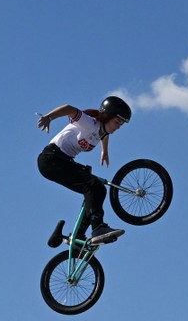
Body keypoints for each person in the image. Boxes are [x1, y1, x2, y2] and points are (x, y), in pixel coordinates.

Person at [37, 96, 131, 245]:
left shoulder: (102, 130)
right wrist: (49, 117)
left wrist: (104, 151)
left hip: (63, 161)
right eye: (117, 122)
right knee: (93, 185)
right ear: (107, 116)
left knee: (98, 189)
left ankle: (78, 237)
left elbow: (103, 135)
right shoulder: (89, 122)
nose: (118, 127)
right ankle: (98, 228)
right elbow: (68, 108)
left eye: (121, 124)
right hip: (51, 159)